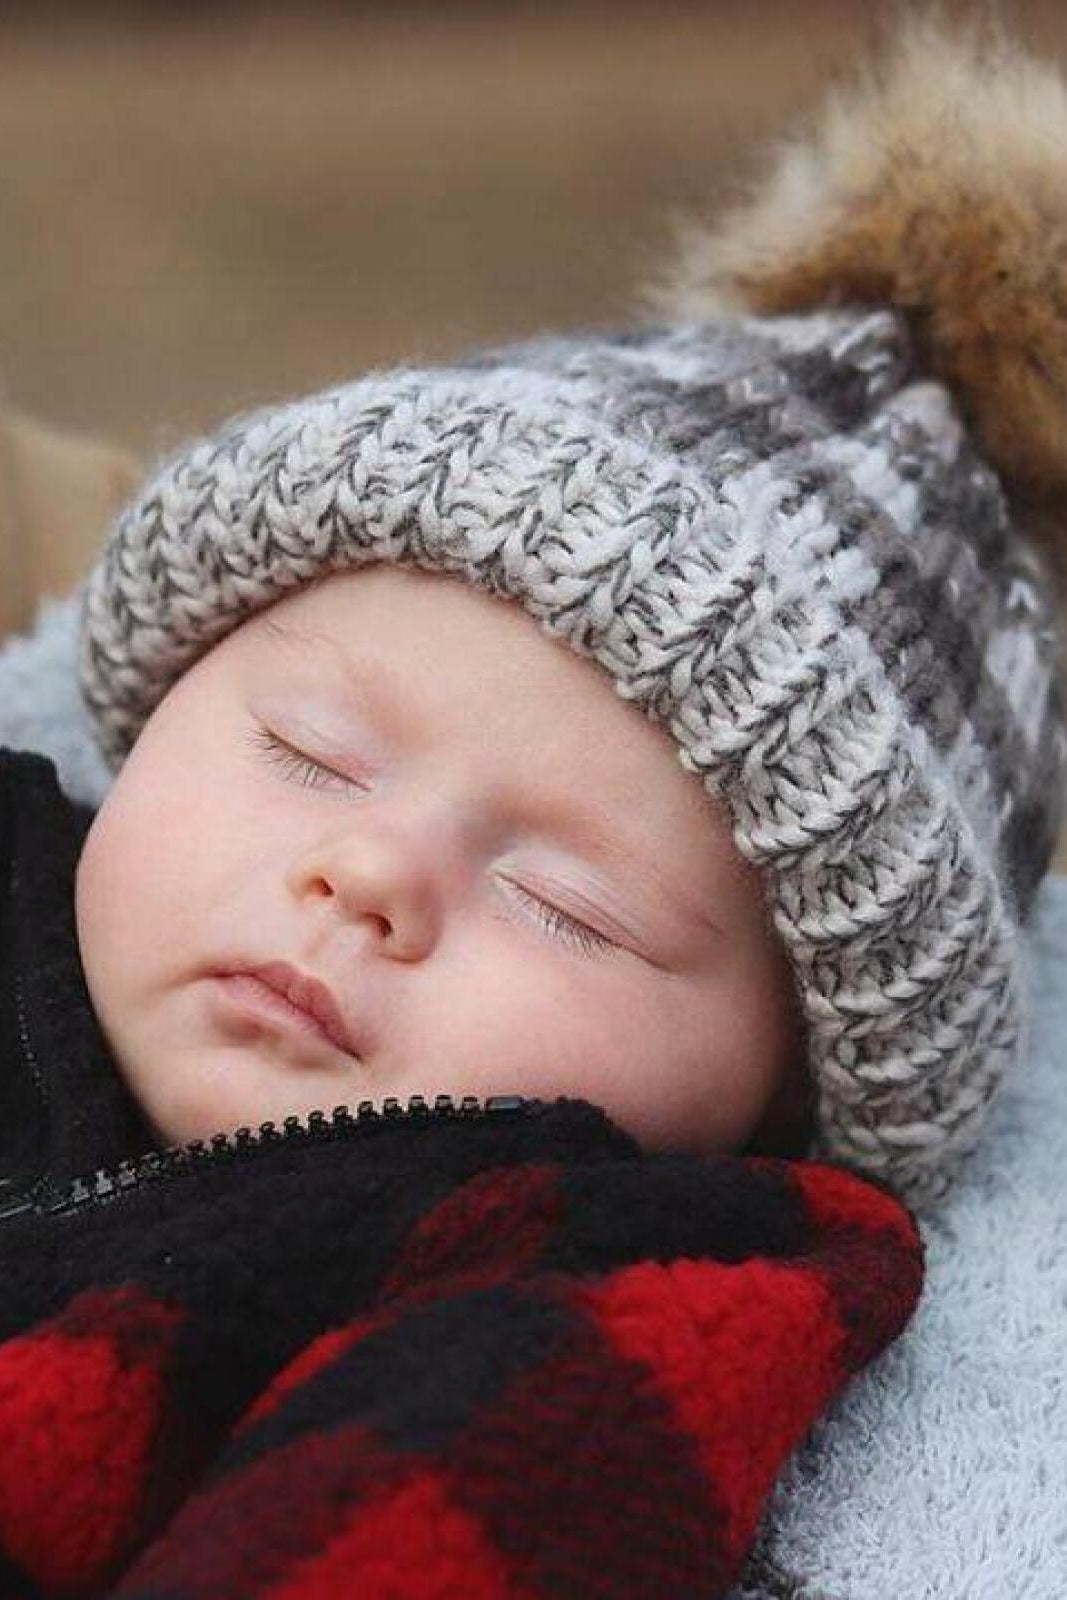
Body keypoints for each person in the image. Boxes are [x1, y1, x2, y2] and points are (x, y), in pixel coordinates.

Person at [0, 9, 1061, 1595]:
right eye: (306, 750)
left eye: (575, 906)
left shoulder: (596, 1277)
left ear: (780, 1101)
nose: (367, 871)